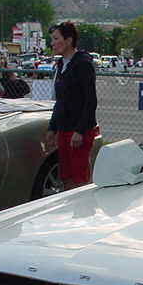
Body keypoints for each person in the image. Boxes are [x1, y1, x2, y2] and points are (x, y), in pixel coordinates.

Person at [46, 22, 98, 191]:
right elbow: (60, 101)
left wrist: (80, 130)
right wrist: (52, 128)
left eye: (55, 39)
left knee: (79, 178)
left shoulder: (82, 64)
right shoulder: (61, 65)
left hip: (78, 130)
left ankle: (84, 213)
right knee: (65, 176)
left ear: (68, 40)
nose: (52, 43)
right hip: (64, 128)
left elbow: (90, 101)